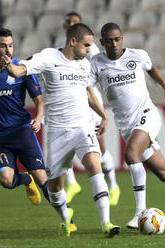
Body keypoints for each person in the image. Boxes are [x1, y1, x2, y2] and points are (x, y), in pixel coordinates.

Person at [0, 23, 120, 238]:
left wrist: (102, 115)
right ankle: (66, 218)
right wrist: (9, 65)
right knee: (55, 186)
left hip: (83, 127)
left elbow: (88, 92)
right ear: (72, 41)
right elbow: (20, 70)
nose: (88, 50)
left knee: (94, 164)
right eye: (86, 45)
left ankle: (107, 223)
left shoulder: (84, 64)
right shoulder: (48, 57)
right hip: (57, 132)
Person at [90, 22, 165, 229]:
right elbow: (88, 90)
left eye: (117, 39)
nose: (114, 43)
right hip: (126, 125)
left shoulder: (137, 55)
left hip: (147, 115)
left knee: (131, 155)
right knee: (164, 174)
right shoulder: (96, 63)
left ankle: (139, 213)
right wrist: (100, 114)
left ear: (122, 39)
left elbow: (152, 70)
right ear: (102, 42)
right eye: (109, 41)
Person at [54, 11, 120, 206]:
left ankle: (113, 185)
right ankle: (73, 183)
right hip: (72, 100)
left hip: (90, 101)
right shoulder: (61, 47)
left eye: (74, 21)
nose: (70, 23)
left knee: (99, 148)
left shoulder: (89, 50)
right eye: (68, 22)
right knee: (64, 142)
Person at [0, 27, 49, 205]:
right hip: (2, 139)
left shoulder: (22, 69)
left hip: (22, 132)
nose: (7, 50)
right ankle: (26, 180)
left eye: (10, 46)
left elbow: (39, 100)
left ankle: (68, 220)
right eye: (3, 46)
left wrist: (39, 117)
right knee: (6, 180)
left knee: (43, 179)